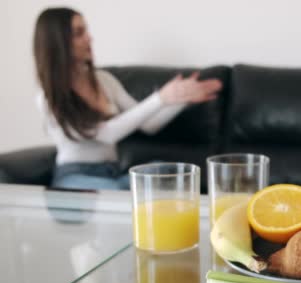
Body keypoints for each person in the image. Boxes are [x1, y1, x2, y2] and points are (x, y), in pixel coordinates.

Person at [33, 7, 222, 190]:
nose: (89, 38)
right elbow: (107, 134)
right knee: (115, 190)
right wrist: (161, 97)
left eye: (86, 30)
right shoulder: (49, 99)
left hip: (113, 172)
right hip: (74, 176)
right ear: (57, 42)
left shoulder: (104, 80)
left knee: (171, 171)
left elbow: (150, 124)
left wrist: (182, 98)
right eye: (78, 33)